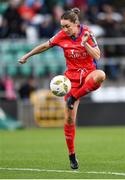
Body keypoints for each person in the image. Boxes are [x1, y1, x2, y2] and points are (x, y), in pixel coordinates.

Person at [19, 7, 106, 170]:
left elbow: (97, 56)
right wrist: (27, 55)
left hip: (88, 74)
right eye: (62, 26)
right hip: (71, 80)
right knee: (69, 120)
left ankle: (74, 97)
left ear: (76, 23)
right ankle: (72, 156)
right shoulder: (61, 36)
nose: (64, 30)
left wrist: (85, 43)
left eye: (67, 26)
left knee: (100, 75)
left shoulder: (87, 32)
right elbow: (45, 46)